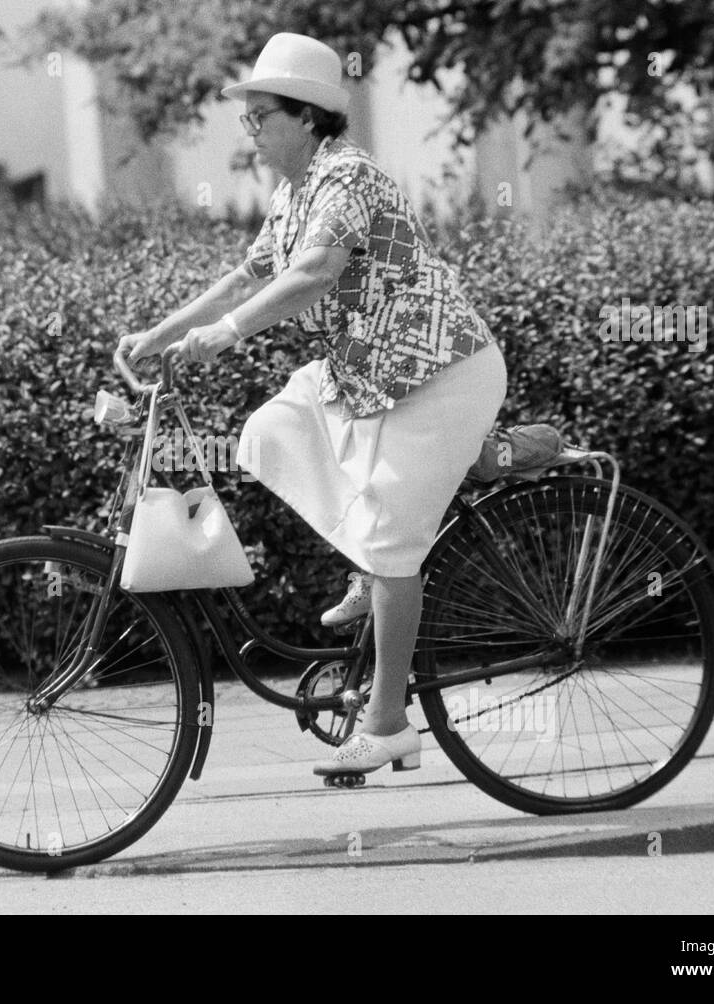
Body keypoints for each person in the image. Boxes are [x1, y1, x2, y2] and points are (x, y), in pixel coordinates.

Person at [117, 32, 506, 779]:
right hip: (367, 377)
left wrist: (225, 336)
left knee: (395, 544)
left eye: (260, 116)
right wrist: (160, 335)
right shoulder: (295, 194)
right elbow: (246, 275)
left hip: (441, 374)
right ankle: (373, 559)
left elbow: (316, 272)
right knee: (269, 434)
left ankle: (389, 723)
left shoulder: (347, 176)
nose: (251, 131)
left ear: (304, 116)